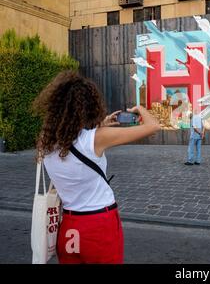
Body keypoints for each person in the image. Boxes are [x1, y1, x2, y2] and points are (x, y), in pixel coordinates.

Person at [33, 71, 160, 264]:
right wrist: (140, 107)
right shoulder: (96, 139)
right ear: (88, 107)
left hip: (68, 225)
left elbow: (73, 137)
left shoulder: (47, 141)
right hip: (99, 224)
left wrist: (101, 124)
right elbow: (153, 126)